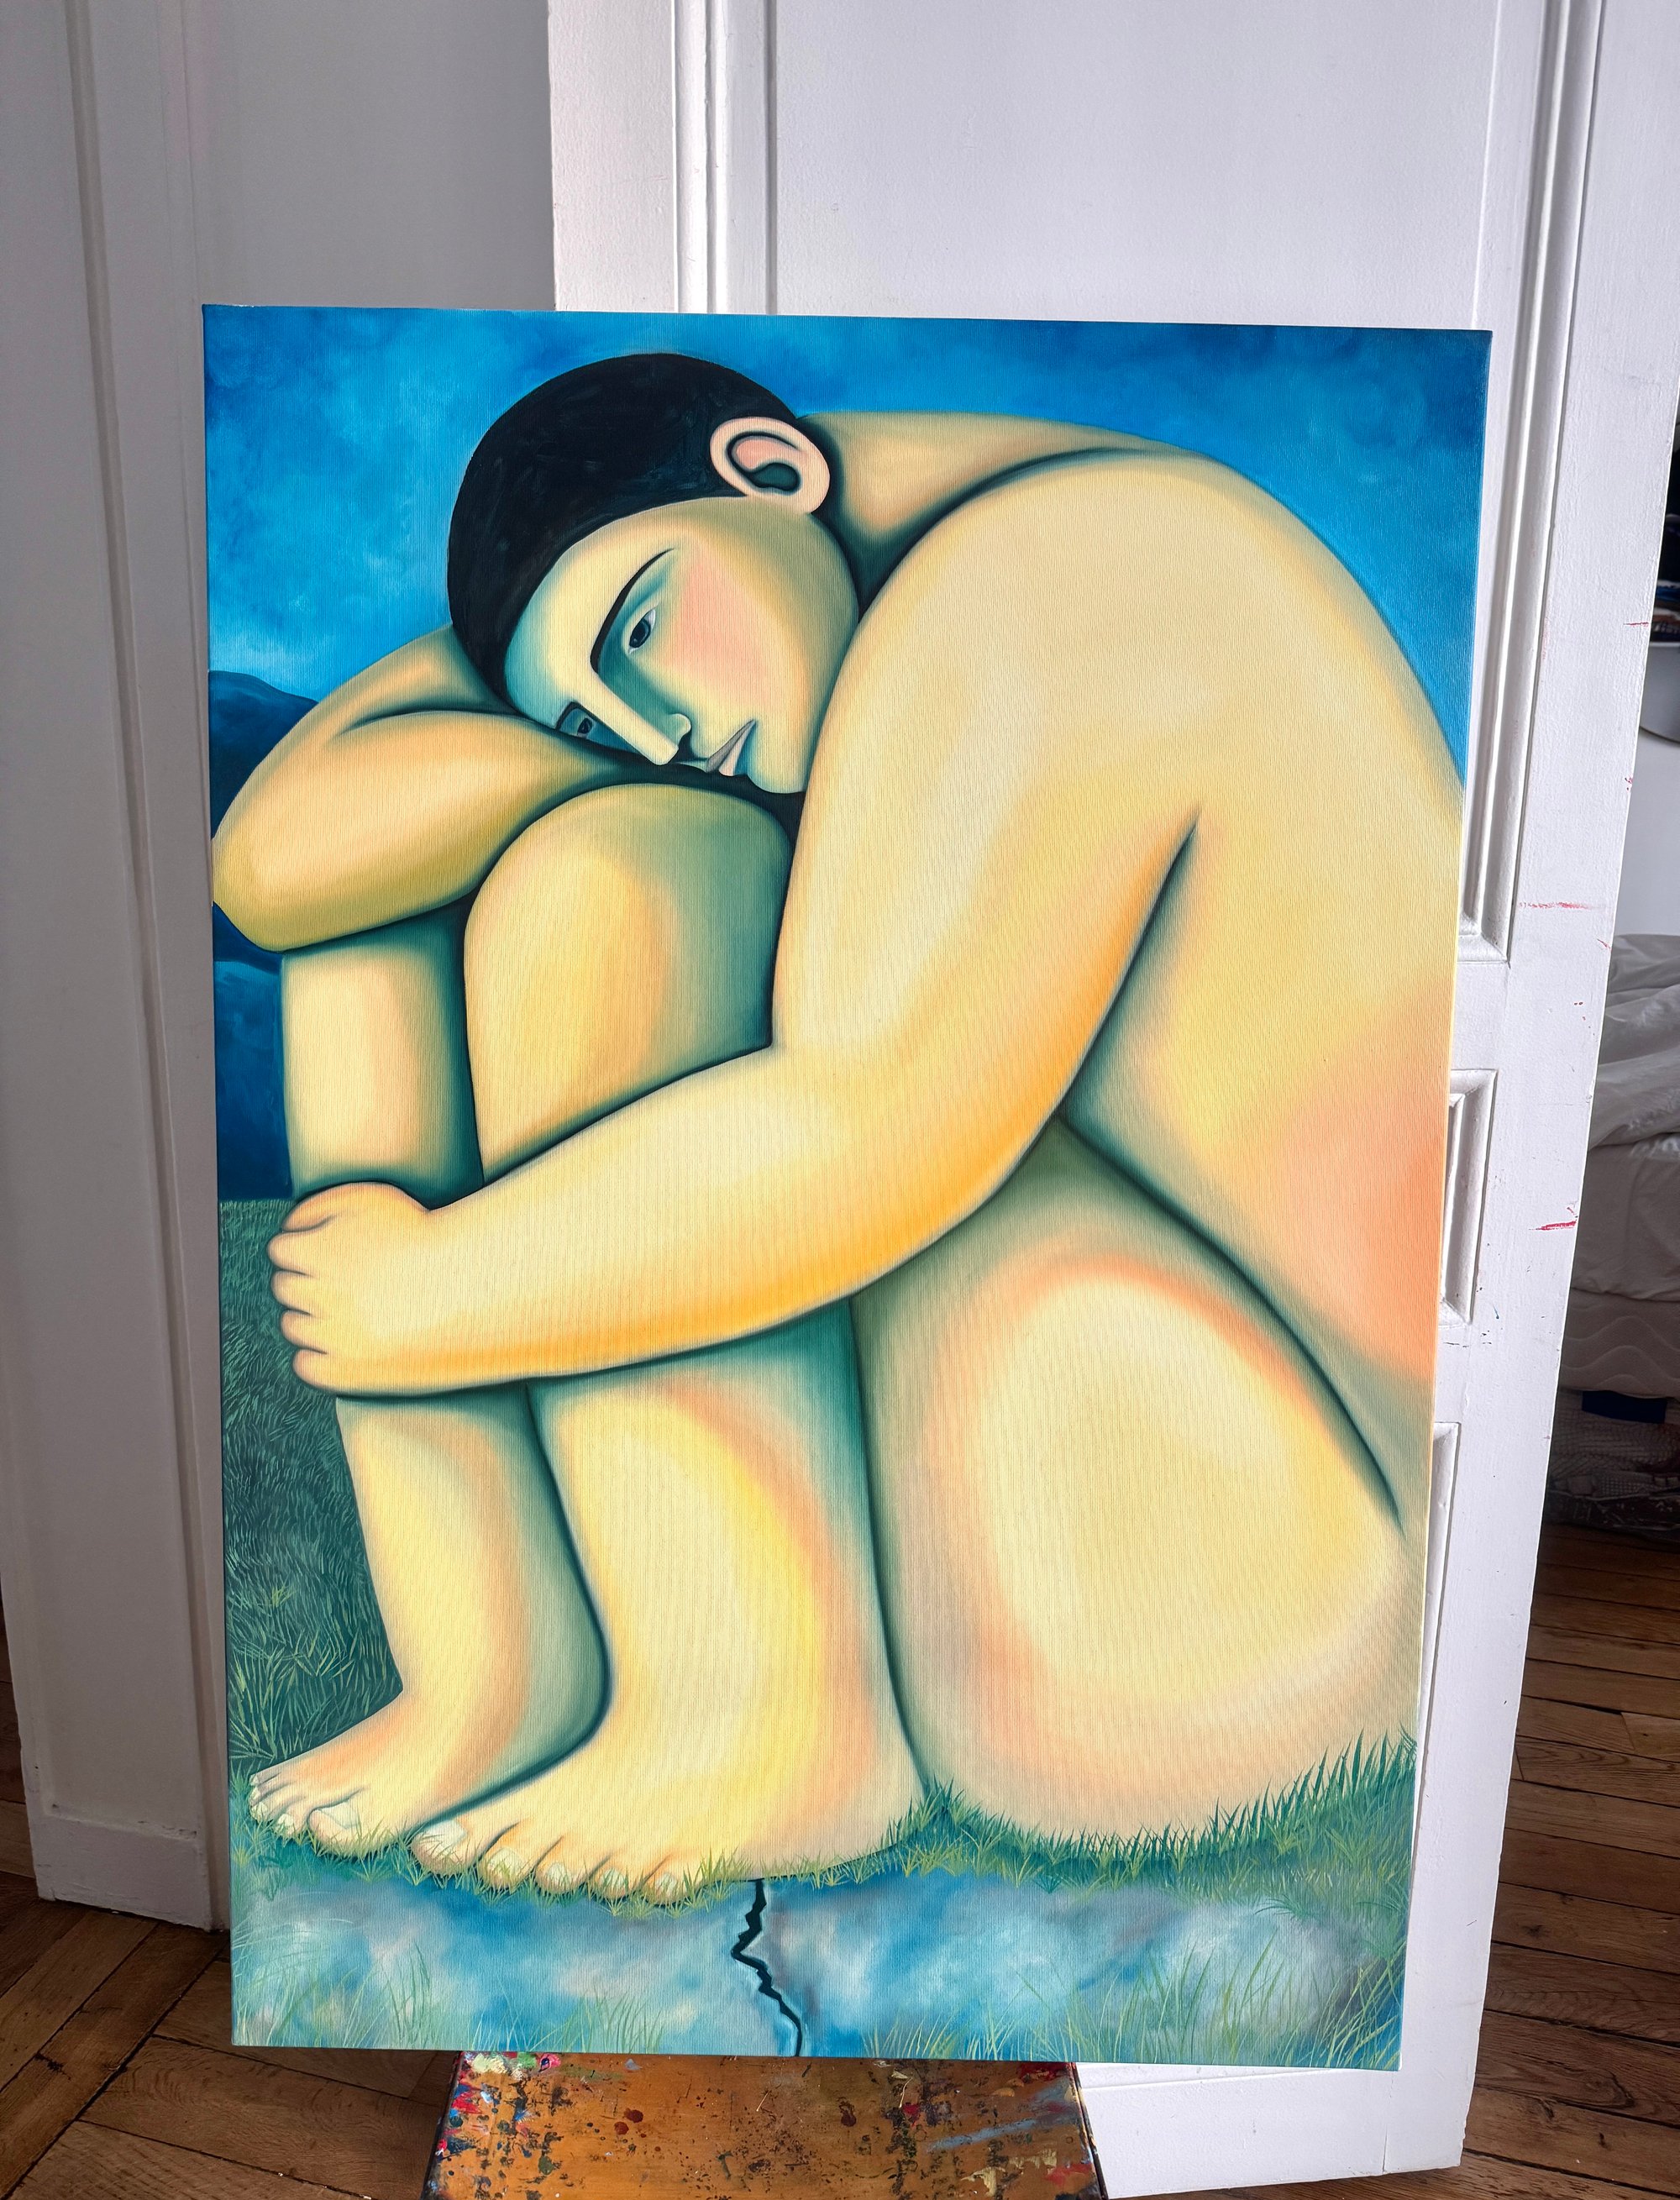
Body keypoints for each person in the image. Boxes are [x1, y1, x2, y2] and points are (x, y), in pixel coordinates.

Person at [216, 352, 1459, 1898]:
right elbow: (276, 862)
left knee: (625, 876)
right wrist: (579, 721)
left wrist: (425, 1293)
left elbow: (855, 1138)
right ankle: (495, 1672)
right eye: (602, 705)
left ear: (772, 470)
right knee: (394, 915)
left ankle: (765, 1729)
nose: (660, 725)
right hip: (1158, 1475)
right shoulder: (785, 540)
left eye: (643, 631)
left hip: (1256, 1600)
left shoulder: (1058, 573)